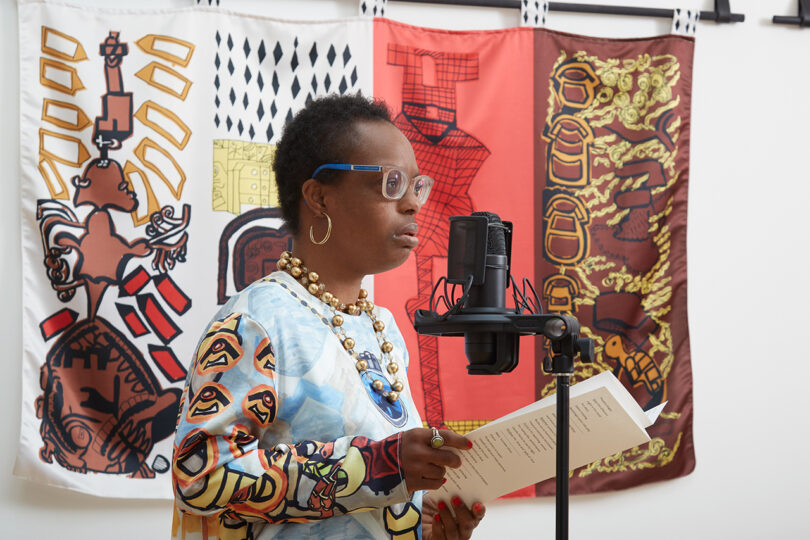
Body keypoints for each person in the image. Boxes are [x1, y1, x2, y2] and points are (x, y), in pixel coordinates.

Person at [172, 93, 487, 539]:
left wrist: (427, 525)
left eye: (418, 186)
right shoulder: (256, 322)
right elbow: (199, 477)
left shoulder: (382, 329)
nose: (414, 205)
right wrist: (379, 465)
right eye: (391, 183)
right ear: (319, 197)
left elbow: (364, 501)